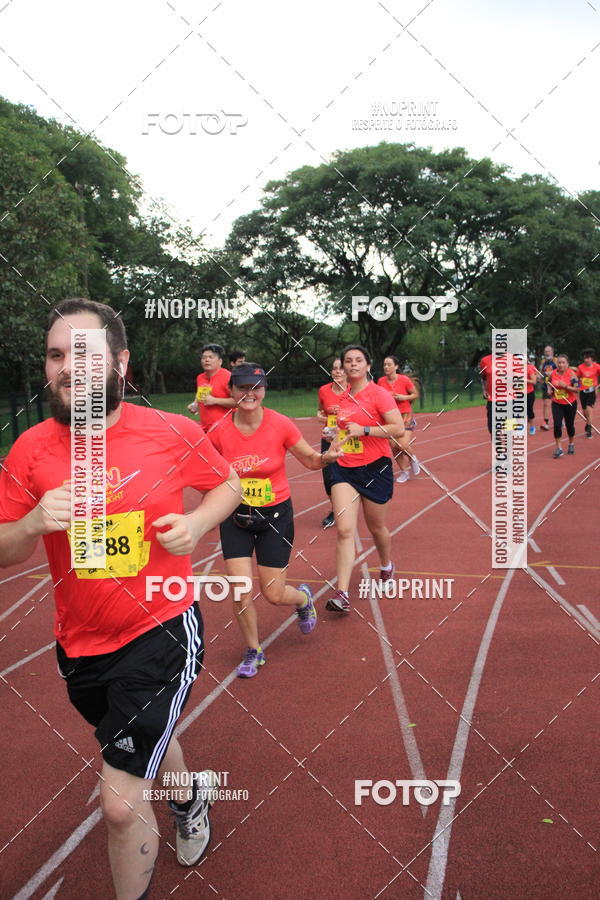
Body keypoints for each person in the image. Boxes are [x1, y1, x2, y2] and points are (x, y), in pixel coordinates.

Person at [0, 299, 241, 899]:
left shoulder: (170, 431)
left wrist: (200, 521)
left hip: (161, 629)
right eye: (57, 355)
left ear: (120, 362)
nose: (67, 367)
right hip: (79, 645)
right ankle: (192, 796)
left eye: (83, 353)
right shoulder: (30, 449)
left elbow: (229, 484)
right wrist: (31, 526)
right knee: (138, 741)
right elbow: (4, 548)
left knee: (117, 803)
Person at [209, 363, 343, 678]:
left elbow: (310, 460)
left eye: (256, 387)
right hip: (236, 517)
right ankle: (254, 650)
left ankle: (302, 598)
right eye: (242, 387)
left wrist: (326, 458)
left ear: (264, 390)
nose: (249, 393)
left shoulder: (280, 425)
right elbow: (205, 472)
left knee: (273, 593)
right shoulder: (218, 431)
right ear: (232, 391)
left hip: (275, 516)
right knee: (240, 589)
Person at [323, 345, 405, 613]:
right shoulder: (342, 400)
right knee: (345, 529)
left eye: (359, 360)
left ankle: (385, 564)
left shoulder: (379, 394)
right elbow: (342, 430)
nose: (353, 365)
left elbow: (398, 428)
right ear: (343, 367)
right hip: (344, 468)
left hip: (375, 468)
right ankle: (342, 593)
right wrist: (333, 441)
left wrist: (366, 430)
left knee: (376, 528)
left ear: (368, 366)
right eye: (348, 361)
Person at [377, 355, 420, 483]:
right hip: (388, 417)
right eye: (384, 364)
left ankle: (412, 459)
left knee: (402, 444)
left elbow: (415, 394)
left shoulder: (404, 380)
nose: (386, 367)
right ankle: (404, 471)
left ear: (396, 366)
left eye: (389, 364)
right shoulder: (381, 381)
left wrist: (403, 397)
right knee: (393, 446)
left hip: (404, 415)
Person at [317, 357, 348, 528]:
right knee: (328, 478)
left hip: (348, 440)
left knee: (345, 477)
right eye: (334, 369)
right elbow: (321, 409)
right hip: (328, 439)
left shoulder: (353, 391)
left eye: (341, 368)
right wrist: (320, 416)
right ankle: (337, 508)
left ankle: (341, 510)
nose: (337, 372)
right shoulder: (323, 390)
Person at [187, 343, 236, 435]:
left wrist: (214, 400)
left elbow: (239, 402)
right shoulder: (200, 377)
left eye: (211, 357)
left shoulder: (228, 377)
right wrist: (195, 405)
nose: (207, 360)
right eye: (204, 357)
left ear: (220, 361)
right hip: (205, 429)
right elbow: (200, 397)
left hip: (226, 430)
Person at [548, 354, 580, 457]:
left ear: (567, 364)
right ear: (557, 364)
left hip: (570, 403)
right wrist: (549, 389)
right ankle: (559, 448)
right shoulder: (553, 373)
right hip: (557, 403)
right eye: (559, 362)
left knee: (569, 425)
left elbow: (577, 389)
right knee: (557, 425)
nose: (561, 364)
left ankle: (571, 443)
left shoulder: (572, 375)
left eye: (563, 362)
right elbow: (548, 381)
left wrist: (566, 386)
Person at [576, 348, 600, 438]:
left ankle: (589, 429)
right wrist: (577, 386)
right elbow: (577, 378)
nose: (586, 359)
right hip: (583, 392)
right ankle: (588, 423)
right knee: (585, 412)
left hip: (592, 392)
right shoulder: (580, 367)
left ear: (592, 358)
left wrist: (597, 386)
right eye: (584, 358)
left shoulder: (597, 367)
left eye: (587, 358)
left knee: (589, 409)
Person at [539, 345, 558, 431]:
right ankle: (546, 422)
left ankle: (560, 420)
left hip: (556, 385)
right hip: (546, 385)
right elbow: (541, 373)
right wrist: (539, 377)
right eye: (546, 351)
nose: (547, 353)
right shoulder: (543, 362)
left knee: (558, 404)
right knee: (546, 404)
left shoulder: (557, 361)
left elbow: (562, 371)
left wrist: (552, 374)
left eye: (549, 351)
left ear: (552, 352)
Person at [478, 348, 494, 435]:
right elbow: (483, 377)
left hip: (509, 400)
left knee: (509, 429)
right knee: (492, 429)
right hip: (492, 400)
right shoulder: (485, 360)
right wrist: (484, 390)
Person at [526, 360, 540, 434]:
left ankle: (532, 427)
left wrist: (523, 379)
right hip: (517, 393)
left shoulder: (529, 368)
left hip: (529, 393)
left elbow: (534, 381)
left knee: (529, 411)